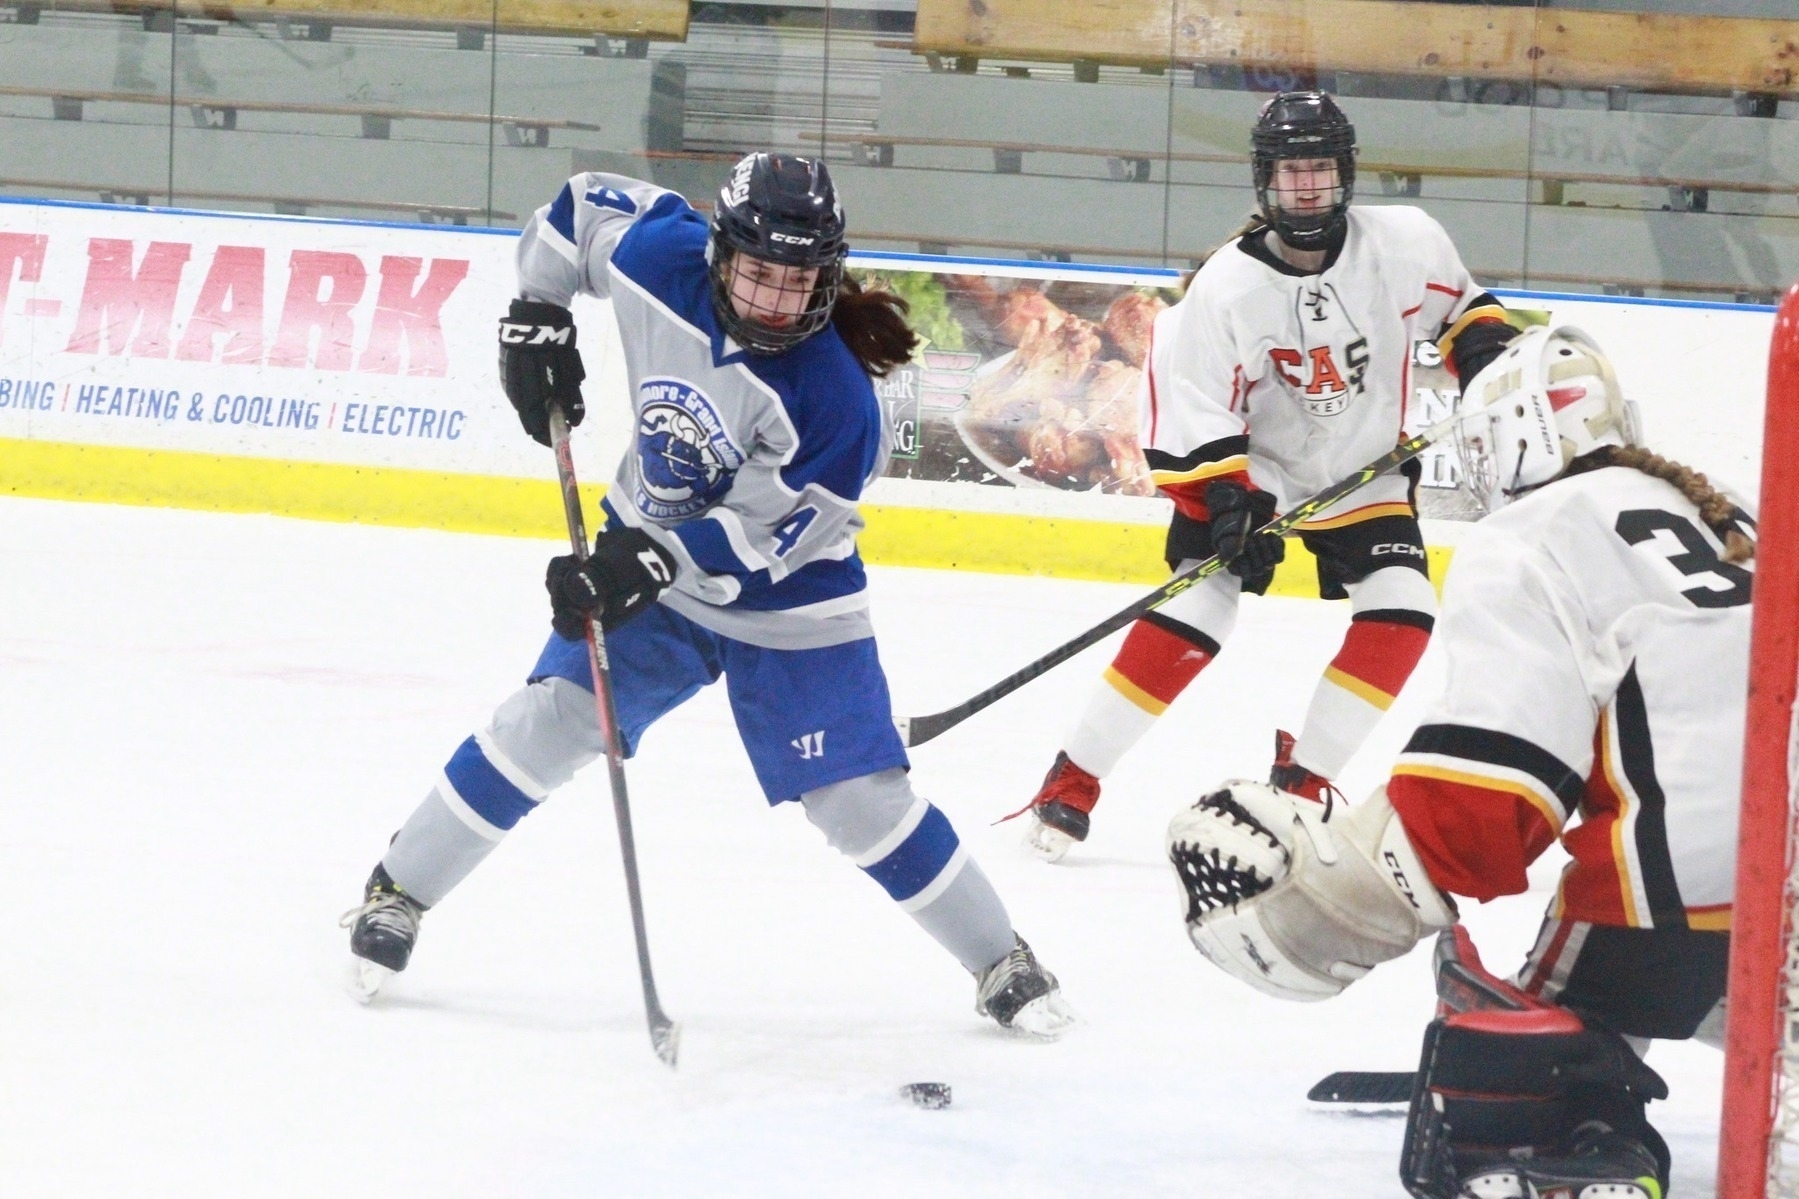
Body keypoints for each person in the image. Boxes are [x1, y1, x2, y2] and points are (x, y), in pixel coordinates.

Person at [339, 153, 1075, 1038]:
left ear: (826, 275)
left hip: (793, 602)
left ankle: (1000, 955)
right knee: (549, 719)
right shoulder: (660, 257)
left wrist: (632, 570)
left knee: (856, 801)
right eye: (757, 272)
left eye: (796, 280)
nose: (773, 300)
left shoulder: (838, 404)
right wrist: (535, 311)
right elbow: (579, 208)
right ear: (719, 251)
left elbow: (756, 547)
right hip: (648, 553)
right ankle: (398, 890)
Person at [1166, 325, 1754, 1197]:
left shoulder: (1532, 531)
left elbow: (1497, 770)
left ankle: (1586, 1133)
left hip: (1685, 873)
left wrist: (1352, 882)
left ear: (1506, 441)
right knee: (1733, 963)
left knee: (1544, 1036)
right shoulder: (1730, 513)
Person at [1016, 90, 1517, 862]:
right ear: (1264, 182)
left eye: (1319, 168)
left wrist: (1481, 355)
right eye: (1291, 172)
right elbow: (1187, 402)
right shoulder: (1223, 287)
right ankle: (1071, 777)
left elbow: (1466, 312)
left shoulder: (1405, 242)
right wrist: (1229, 501)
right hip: (1257, 473)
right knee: (1198, 615)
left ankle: (1302, 782)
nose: (1307, 187)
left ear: (1345, 173)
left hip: (1361, 476)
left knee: (1404, 614)